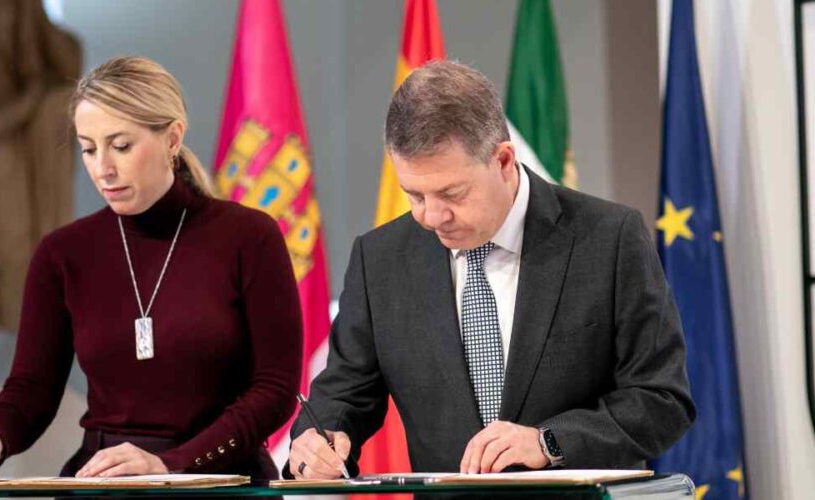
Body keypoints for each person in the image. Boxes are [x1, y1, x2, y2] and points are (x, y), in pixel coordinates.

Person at [286, 61, 694, 479]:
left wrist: (548, 442)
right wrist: (318, 443)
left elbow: (662, 399)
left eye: (451, 193)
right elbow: (343, 396)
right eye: (415, 195)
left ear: (502, 160)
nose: (431, 216)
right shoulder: (381, 260)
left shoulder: (608, 238)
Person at [0, 56, 302, 480]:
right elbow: (32, 388)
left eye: (121, 146)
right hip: (103, 482)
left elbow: (276, 390)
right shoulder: (61, 254)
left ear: (173, 138)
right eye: (89, 149)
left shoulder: (250, 236)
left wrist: (169, 465)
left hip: (221, 479)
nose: (103, 169)